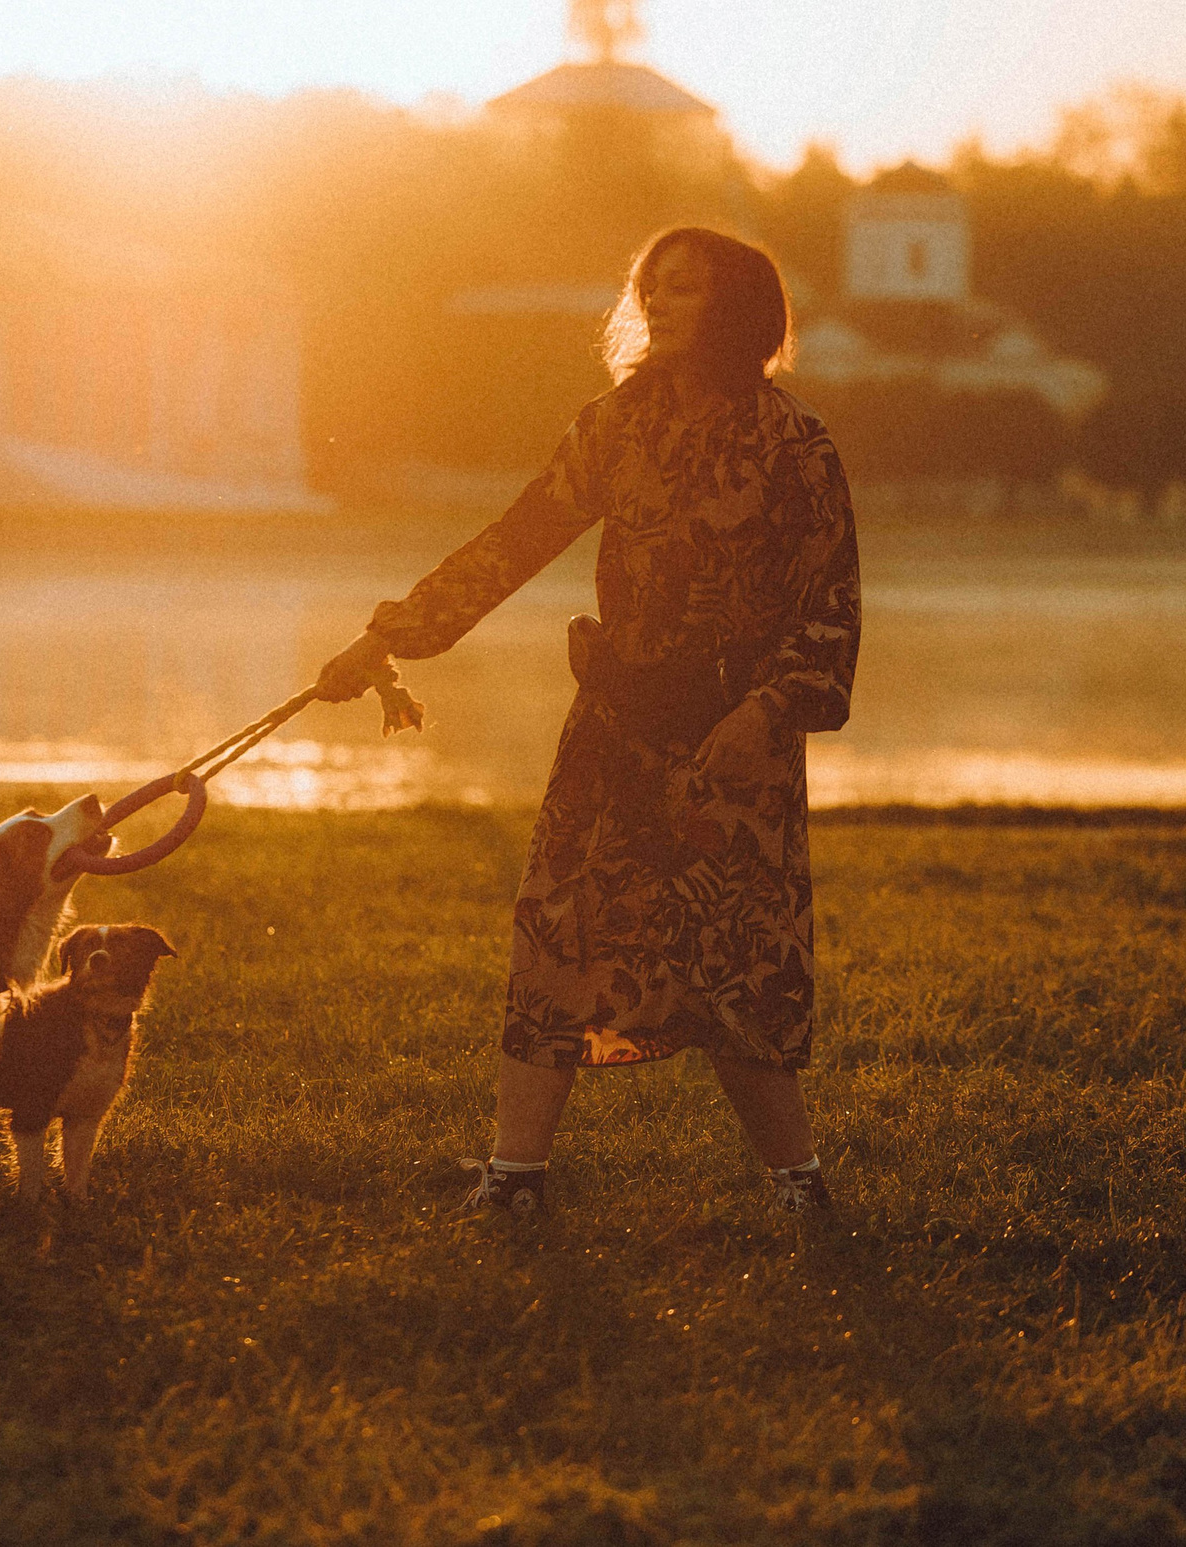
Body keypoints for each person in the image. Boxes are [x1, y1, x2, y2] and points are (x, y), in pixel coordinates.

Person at [315, 227, 861, 1218]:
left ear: (737, 307)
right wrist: (390, 636)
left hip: (736, 740)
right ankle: (514, 1180)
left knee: (740, 967)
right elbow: (517, 538)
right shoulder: (616, 424)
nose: (659, 304)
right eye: (650, 288)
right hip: (617, 723)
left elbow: (828, 604)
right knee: (556, 943)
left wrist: (769, 710)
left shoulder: (795, 445)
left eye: (684, 290)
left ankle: (799, 1189)